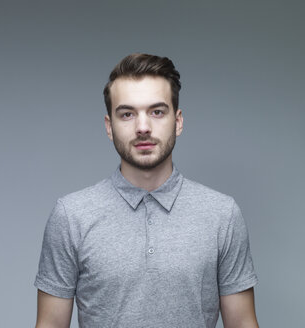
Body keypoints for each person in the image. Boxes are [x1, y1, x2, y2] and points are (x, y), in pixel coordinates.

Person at [34, 53, 259, 328]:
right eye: (127, 114)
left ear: (177, 121)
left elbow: (243, 324)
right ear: (109, 127)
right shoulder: (71, 216)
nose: (143, 127)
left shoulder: (222, 215)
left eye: (157, 112)